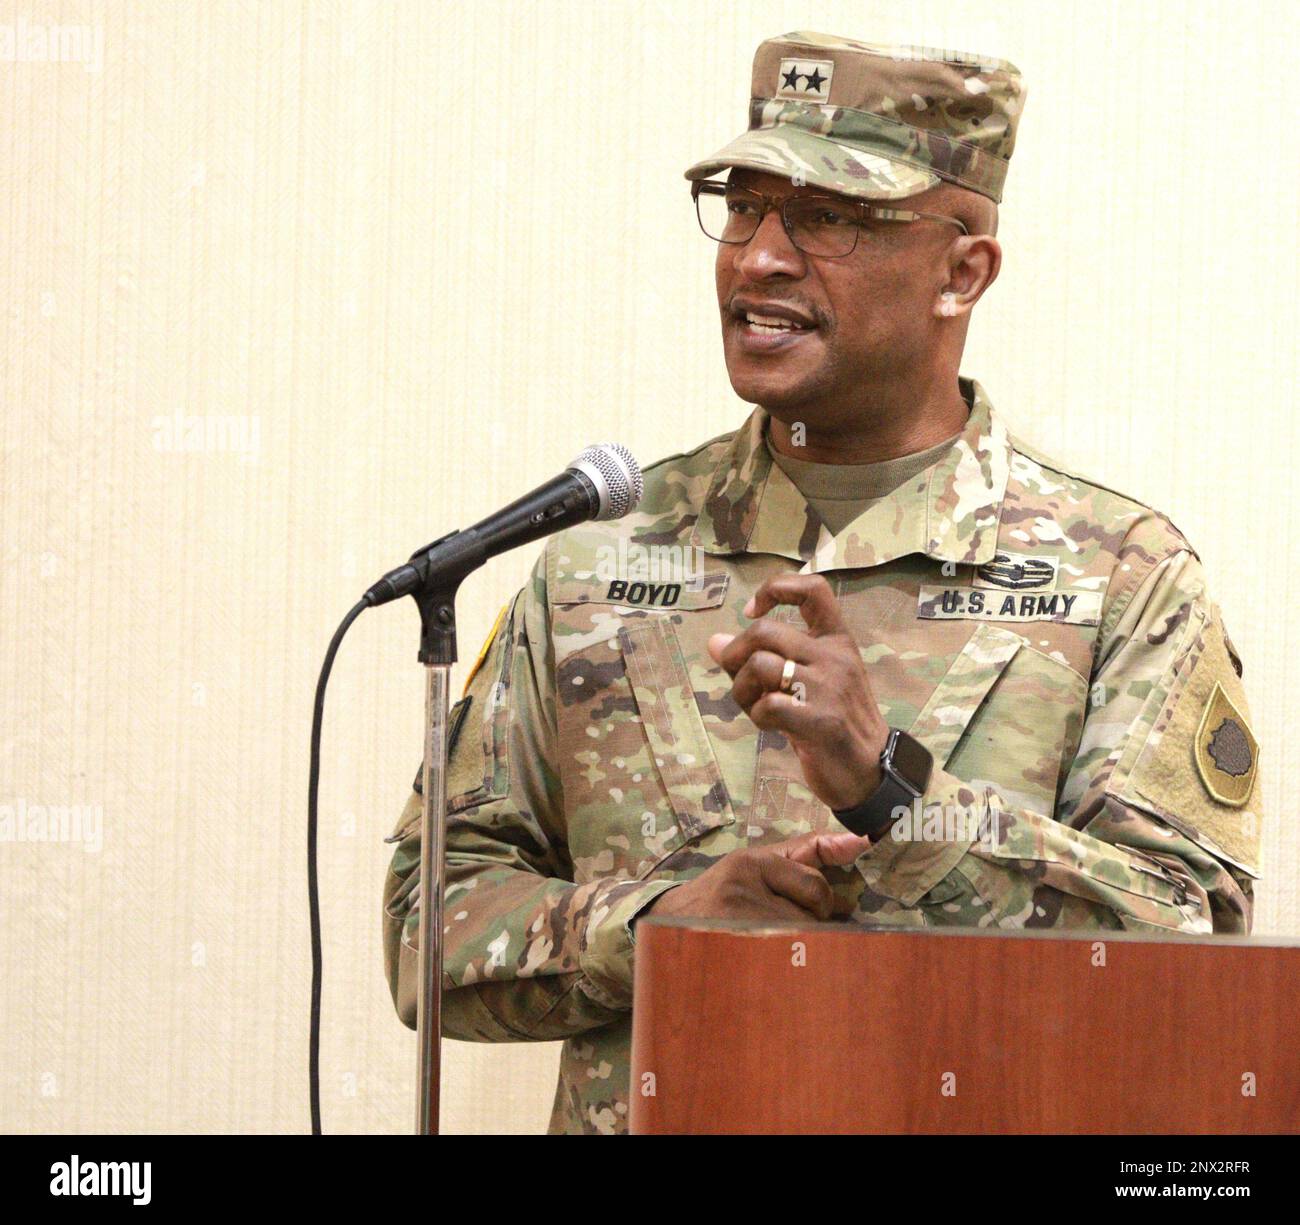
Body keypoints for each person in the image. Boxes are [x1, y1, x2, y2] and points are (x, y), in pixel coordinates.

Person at [383, 31, 1262, 1135]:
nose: (758, 257)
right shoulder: (600, 559)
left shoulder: (1118, 576)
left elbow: (1192, 961)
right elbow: (428, 930)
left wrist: (894, 794)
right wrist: (657, 924)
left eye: (830, 218)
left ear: (963, 271)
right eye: (743, 204)